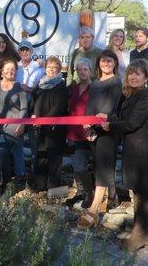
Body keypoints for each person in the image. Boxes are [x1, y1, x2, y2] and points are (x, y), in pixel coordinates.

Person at [99, 59, 148, 252]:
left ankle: (140, 235)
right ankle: (141, 234)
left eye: (138, 73)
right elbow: (124, 119)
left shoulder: (147, 95)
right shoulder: (132, 94)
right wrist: (108, 118)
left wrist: (111, 125)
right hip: (135, 151)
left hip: (144, 153)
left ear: (146, 76)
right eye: (131, 73)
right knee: (138, 192)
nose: (133, 77)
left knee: (143, 194)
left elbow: (132, 123)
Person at [78, 49, 122, 228]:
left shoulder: (117, 82)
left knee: (104, 165)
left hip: (108, 129)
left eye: (109, 61)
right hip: (94, 128)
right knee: (99, 164)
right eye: (103, 61)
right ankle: (112, 197)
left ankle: (94, 209)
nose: (106, 63)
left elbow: (116, 106)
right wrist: (86, 125)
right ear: (99, 63)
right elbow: (90, 106)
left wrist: (108, 117)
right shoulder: (95, 83)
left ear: (114, 63)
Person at [30, 56, 68, 192]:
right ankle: (39, 185)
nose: (52, 70)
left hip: (55, 128)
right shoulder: (40, 85)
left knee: (54, 158)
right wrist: (34, 116)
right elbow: (34, 103)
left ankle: (53, 189)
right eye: (49, 67)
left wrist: (44, 120)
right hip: (40, 128)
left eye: (55, 68)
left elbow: (59, 107)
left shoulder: (62, 86)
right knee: (41, 156)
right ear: (45, 68)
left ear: (59, 70)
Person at [0, 59, 28, 192]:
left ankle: (5, 182)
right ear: (2, 72)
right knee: (5, 152)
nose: (10, 71)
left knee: (2, 150)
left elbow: (24, 108)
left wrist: (21, 124)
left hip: (14, 125)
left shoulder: (19, 87)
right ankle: (16, 178)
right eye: (7, 69)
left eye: (13, 69)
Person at [66, 58, 94, 208]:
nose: (82, 72)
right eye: (79, 70)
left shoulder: (95, 87)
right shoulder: (74, 87)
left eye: (85, 69)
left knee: (81, 165)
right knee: (76, 165)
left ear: (90, 71)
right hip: (72, 131)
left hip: (86, 132)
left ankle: (89, 193)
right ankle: (80, 191)